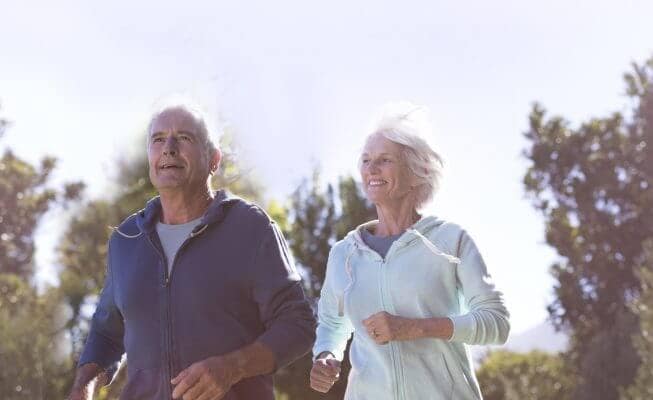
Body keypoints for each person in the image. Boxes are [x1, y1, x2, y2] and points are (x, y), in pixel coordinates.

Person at [68, 101, 316, 400]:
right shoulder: (127, 239)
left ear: (213, 159)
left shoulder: (250, 227)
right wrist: (83, 388)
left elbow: (297, 323)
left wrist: (231, 367)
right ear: (150, 157)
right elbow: (106, 335)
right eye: (158, 140)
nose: (168, 148)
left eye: (184, 138)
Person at [310, 102, 510, 399]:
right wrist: (326, 355)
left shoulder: (450, 240)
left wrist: (415, 328)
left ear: (417, 171)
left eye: (384, 160)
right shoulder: (344, 254)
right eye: (366, 160)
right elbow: (331, 323)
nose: (371, 169)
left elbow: (497, 323)